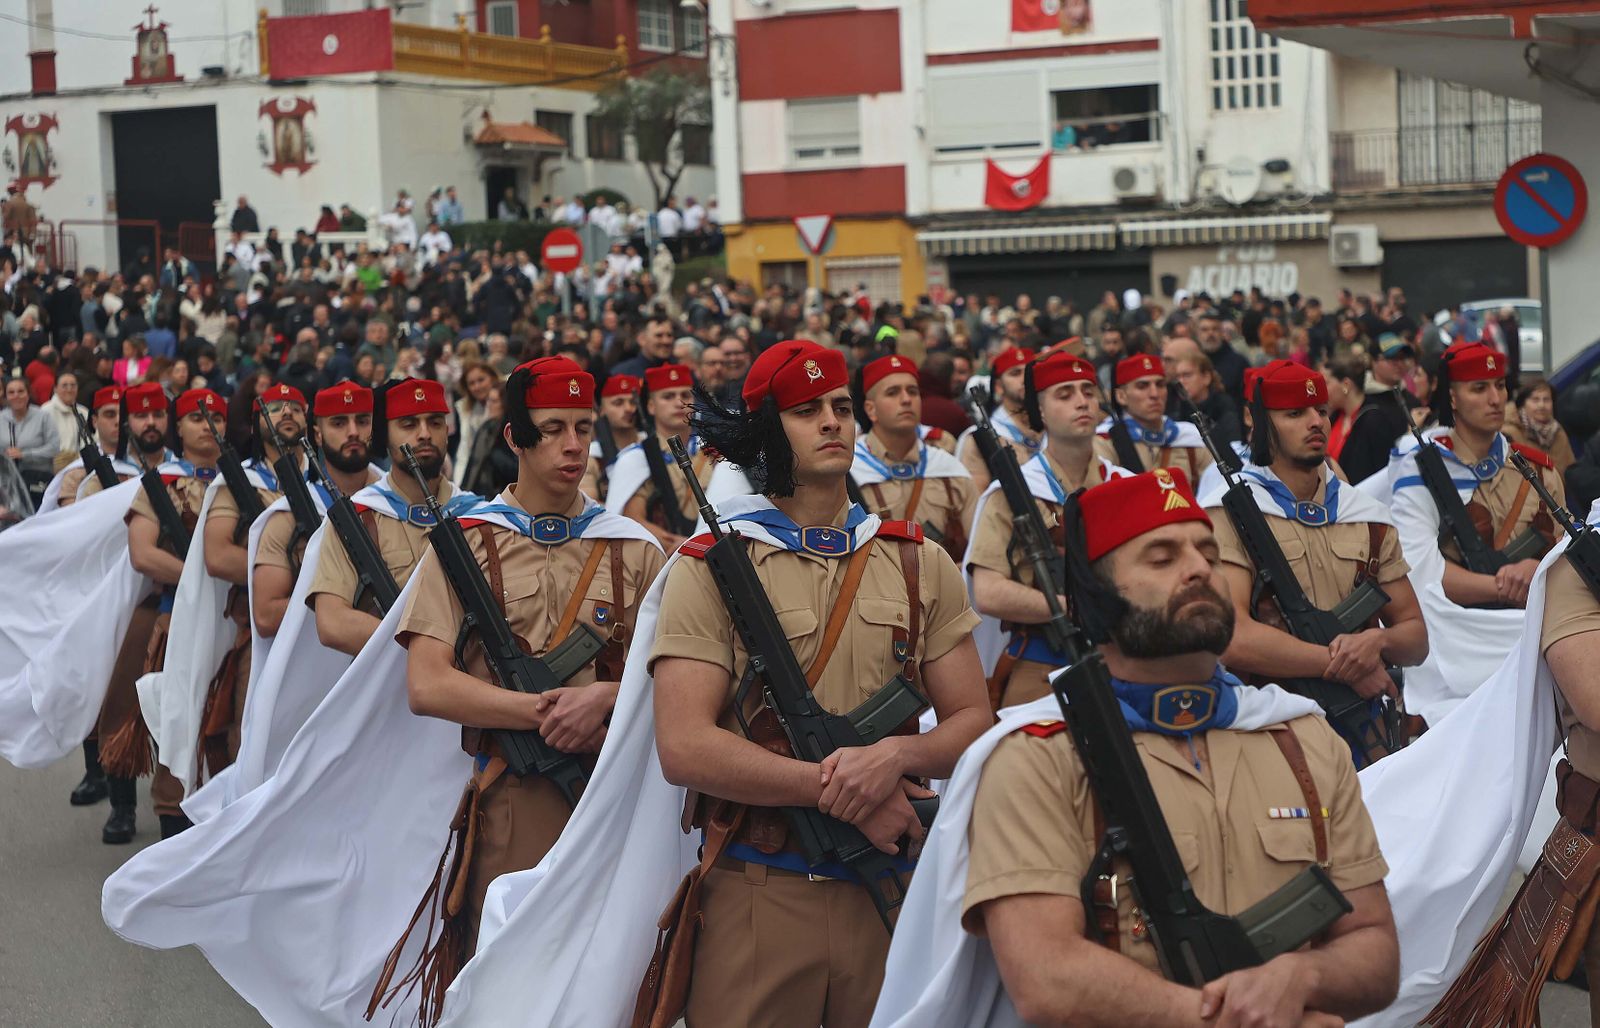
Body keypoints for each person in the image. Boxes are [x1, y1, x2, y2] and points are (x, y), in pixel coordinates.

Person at [911, 468, 1399, 1026]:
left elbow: (1375, 949)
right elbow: (1047, 977)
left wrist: (1303, 976)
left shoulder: (1302, 739)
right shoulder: (1037, 757)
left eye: (1209, 554)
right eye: (1162, 558)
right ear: (1099, 594)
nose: (1199, 569)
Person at [646, 339, 990, 1025]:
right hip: (760, 891)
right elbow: (684, 746)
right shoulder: (712, 564)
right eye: (806, 411)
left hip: (889, 891)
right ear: (768, 431)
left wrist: (894, 756)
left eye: (840, 406)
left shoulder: (918, 560)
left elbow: (974, 720)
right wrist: (847, 793)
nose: (832, 421)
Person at [368, 357, 665, 1023]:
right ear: (514, 437)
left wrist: (606, 699)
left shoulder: (636, 548)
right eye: (553, 428)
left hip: (613, 795)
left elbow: (674, 679)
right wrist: (540, 712)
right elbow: (427, 683)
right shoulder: (466, 545)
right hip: (515, 795)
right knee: (508, 987)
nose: (573, 445)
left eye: (582, 427)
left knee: (606, 985)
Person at [1199, 360, 1428, 766]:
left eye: (1321, 410)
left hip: (1367, 730)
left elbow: (1415, 638)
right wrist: (1345, 666)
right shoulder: (1230, 514)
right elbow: (1234, 637)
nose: (1315, 422)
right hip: (1274, 729)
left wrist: (1377, 642)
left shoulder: (1367, 516)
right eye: (1294, 413)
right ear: (1260, 423)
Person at [967, 350, 1133, 710]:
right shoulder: (1012, 493)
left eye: (1088, 391)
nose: (1082, 402)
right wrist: (1072, 607)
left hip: (1126, 656)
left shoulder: (1127, 486)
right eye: (1064, 394)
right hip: (1042, 662)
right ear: (1040, 410)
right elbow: (988, 592)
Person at [102, 386, 224, 843]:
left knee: (219, 722)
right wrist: (200, 578)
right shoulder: (163, 483)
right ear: (180, 427)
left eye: (216, 418)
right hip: (171, 613)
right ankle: (147, 813)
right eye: (196, 418)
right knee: (154, 714)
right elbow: (143, 554)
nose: (208, 427)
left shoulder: (244, 482)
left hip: (230, 619)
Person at [307, 379, 476, 658]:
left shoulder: (475, 514)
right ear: (383, 435)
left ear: (447, 432)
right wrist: (430, 651)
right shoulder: (358, 518)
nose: (425, 434)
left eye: (435, 423)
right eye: (408, 424)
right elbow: (332, 623)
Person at [251, 382, 382, 646]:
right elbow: (265, 615)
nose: (353, 432)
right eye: (339, 423)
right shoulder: (289, 514)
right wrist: (333, 604)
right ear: (318, 435)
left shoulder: (394, 503)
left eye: (362, 421)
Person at [850, 354, 975, 562]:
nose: (906, 399)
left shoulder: (950, 470)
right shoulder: (850, 472)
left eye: (913, 391)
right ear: (871, 409)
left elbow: (978, 553)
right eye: (892, 392)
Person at [604, 364, 711, 554]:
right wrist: (685, 545)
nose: (679, 402)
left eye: (685, 395)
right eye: (668, 397)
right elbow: (632, 518)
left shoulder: (713, 451)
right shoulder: (637, 457)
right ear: (651, 406)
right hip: (663, 553)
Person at [1095, 353, 1213, 481]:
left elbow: (1216, 487)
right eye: (1142, 386)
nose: (1154, 394)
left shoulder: (1190, 437)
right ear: (1121, 396)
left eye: (1160, 384)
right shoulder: (1105, 442)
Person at [954, 346, 1040, 493]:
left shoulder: (1054, 428)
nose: (1025, 378)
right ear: (999, 386)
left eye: (1030, 372)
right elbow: (976, 498)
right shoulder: (980, 439)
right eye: (1015, 373)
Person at [1338, 334, 1416, 485]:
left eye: (1402, 358)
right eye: (1391, 359)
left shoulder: (1411, 400)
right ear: (1373, 361)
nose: (1399, 364)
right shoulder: (1362, 401)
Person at [580, 373, 642, 501]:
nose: (628, 409)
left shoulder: (651, 445)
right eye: (618, 403)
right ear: (601, 410)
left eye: (633, 402)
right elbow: (588, 503)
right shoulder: (593, 456)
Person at [1, 376, 58, 503]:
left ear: (28, 394)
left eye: (21, 391)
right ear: (6, 396)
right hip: (8, 483)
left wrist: (25, 454)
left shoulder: (43, 417)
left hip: (38, 480)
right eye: (11, 392)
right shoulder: (1, 419)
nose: (16, 396)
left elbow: (54, 447)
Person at [1505, 377, 1575, 475]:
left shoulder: (1558, 432)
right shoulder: (1510, 433)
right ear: (1523, 404)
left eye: (1546, 400)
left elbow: (1571, 471)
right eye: (1535, 400)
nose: (1541, 405)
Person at [1171, 350, 1241, 447]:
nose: (1180, 382)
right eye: (1177, 377)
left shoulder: (1225, 408)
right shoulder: (1178, 413)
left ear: (1206, 378)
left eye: (1187, 375)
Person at [450, 360, 499, 489]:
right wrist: (460, 487)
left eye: (481, 380)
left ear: (492, 378)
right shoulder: (463, 409)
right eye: (471, 383)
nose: (477, 387)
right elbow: (464, 450)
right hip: (475, 475)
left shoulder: (506, 403)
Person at [1323, 354, 1367, 464]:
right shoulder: (1336, 416)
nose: (1322, 389)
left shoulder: (1372, 421)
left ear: (1346, 384)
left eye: (1326, 383)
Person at [41, 369, 87, 453]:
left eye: (73, 385)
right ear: (55, 388)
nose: (69, 390)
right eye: (64, 386)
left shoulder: (83, 412)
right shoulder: (45, 411)